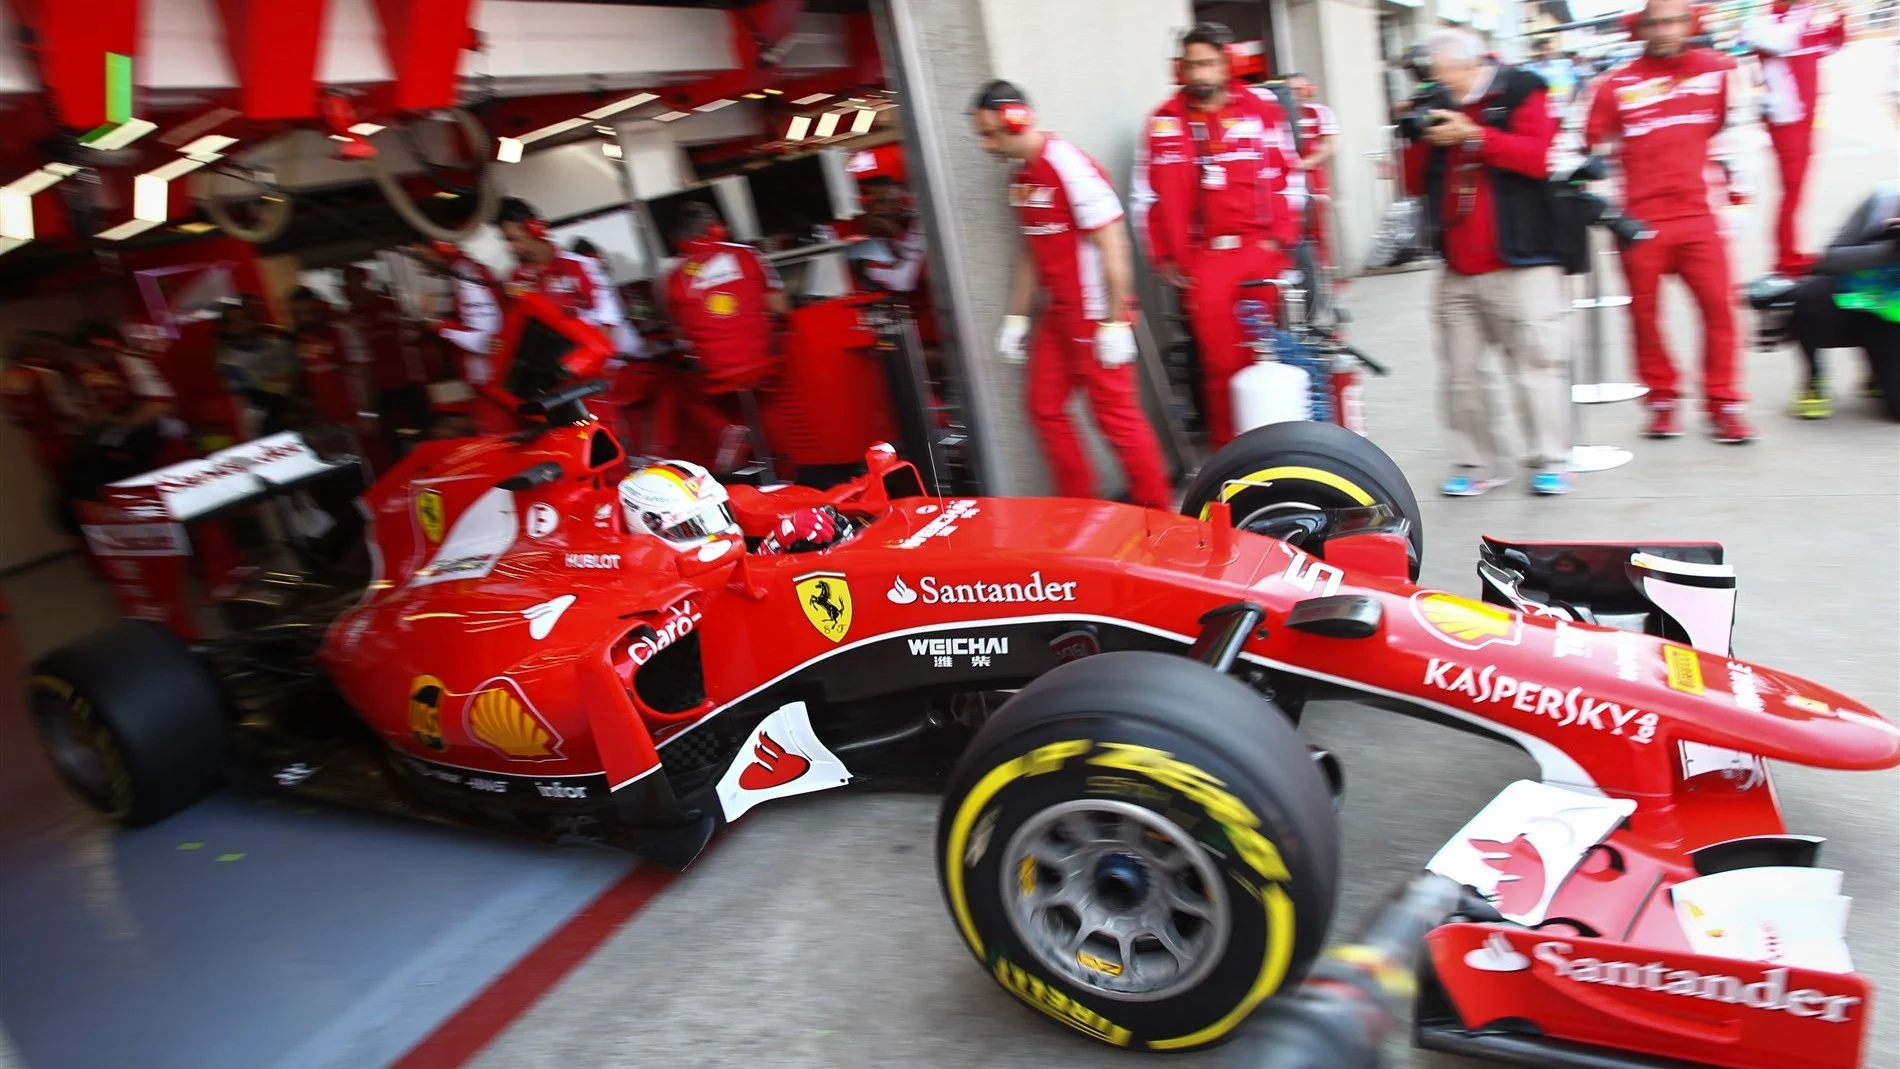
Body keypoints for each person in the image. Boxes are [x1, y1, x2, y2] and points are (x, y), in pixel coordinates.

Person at [972, 79, 1173, 511]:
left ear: (1016, 118)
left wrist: (1116, 321)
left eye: (989, 133)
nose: (985, 145)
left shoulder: (1067, 165)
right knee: (1043, 406)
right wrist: (1016, 318)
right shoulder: (1021, 180)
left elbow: (1113, 243)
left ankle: (1160, 514)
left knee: (1116, 420)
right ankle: (1081, 505)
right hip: (1057, 314)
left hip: (1096, 313)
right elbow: (1031, 250)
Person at [1400, 28, 1574, 496]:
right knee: (1460, 376)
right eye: (1433, 79)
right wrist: (1418, 134)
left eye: (1443, 77)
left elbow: (1538, 158)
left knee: (1536, 366)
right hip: (1458, 267)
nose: (1439, 86)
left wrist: (1475, 136)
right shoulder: (1438, 102)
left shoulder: (1521, 88)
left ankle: (1550, 460)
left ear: (1470, 66)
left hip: (1522, 259)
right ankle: (1476, 463)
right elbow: (1414, 183)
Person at [1586, 0, 1756, 442]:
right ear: (1640, 29)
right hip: (1640, 223)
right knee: (1644, 317)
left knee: (1720, 311)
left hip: (1701, 217)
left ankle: (1724, 403)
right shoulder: (1613, 85)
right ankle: (1661, 399)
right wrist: (1610, 213)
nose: (1665, 30)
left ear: (1690, 23)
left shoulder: (1720, 70)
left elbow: (1738, 140)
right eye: (1655, 22)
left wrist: (1738, 206)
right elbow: (1586, 153)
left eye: (1674, 20)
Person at [1131, 21, 1299, 451]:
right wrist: (1163, 257)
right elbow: (1145, 196)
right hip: (1204, 261)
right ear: (1180, 69)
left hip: (1260, 253)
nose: (1199, 74)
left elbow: (1291, 176)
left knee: (1268, 354)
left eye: (1207, 64)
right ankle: (1231, 454)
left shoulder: (1262, 110)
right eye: (1191, 65)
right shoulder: (1163, 122)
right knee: (1220, 364)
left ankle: (1282, 446)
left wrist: (1280, 241)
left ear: (1227, 65)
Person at [1741, 0, 1847, 276]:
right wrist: (1805, 10)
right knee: (1791, 193)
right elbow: (1782, 43)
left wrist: (1839, 18)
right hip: (1785, 121)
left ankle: (1791, 253)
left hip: (1806, 117)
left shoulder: (1802, 20)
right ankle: (1786, 260)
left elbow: (1831, 45)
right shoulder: (1758, 23)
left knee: (1798, 193)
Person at [1785, 180, 1900, 418]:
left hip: (1893, 318)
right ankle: (1815, 376)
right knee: (1809, 296)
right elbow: (1828, 261)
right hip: (1857, 302)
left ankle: (1880, 369)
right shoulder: (1883, 201)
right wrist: (1887, 248)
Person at [663, 201, 788, 390]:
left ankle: (732, 420)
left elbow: (681, 333)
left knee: (680, 383)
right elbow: (781, 308)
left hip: (715, 373)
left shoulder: (672, 278)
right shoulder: (748, 255)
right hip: (763, 362)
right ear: (716, 228)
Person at [1285, 72, 1340, 273]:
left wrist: (1306, 163)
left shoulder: (1320, 112)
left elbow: (1331, 145)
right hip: (1284, 180)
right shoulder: (1276, 113)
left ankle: (1323, 280)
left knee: (1317, 231)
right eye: (1292, 90)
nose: (1298, 94)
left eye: (1301, 89)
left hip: (1312, 177)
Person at [286, 287, 362, 429]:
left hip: (352, 418)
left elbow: (362, 373)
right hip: (318, 422)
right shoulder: (293, 341)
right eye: (297, 314)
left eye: (309, 312)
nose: (304, 318)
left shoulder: (342, 333)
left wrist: (366, 413)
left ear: (319, 309)